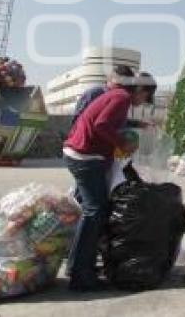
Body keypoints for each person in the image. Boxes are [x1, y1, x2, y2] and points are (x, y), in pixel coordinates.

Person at [62, 75, 149, 291]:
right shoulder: (121, 97)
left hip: (84, 154)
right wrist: (120, 144)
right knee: (95, 211)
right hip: (85, 157)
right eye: (146, 94)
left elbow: (109, 121)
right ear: (138, 88)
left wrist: (135, 126)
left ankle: (77, 265)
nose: (144, 100)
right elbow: (102, 125)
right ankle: (81, 275)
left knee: (93, 209)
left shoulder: (116, 96)